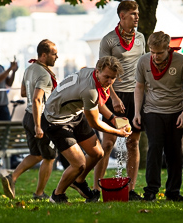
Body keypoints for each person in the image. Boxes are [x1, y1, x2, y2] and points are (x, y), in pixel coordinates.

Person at [41, 56, 132, 203]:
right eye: (107, 77)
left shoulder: (92, 76)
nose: (109, 82)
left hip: (74, 115)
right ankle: (57, 195)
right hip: (56, 121)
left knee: (97, 153)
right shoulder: (90, 89)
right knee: (79, 164)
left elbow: (95, 103)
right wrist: (118, 132)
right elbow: (95, 123)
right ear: (97, 72)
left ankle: (78, 181)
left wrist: (114, 119)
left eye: (113, 78)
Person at [93, 0, 146, 202]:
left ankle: (130, 189)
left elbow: (142, 67)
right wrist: (113, 97)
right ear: (122, 16)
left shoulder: (141, 38)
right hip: (113, 95)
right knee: (107, 144)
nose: (136, 17)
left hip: (136, 96)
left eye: (137, 13)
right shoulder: (108, 40)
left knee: (133, 143)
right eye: (133, 13)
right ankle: (96, 189)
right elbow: (102, 72)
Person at [133, 31, 183, 202]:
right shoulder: (144, 61)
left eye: (159, 53)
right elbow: (139, 87)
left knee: (175, 153)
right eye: (152, 52)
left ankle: (173, 192)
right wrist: (137, 113)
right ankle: (151, 191)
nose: (155, 56)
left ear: (168, 48)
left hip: (177, 112)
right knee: (154, 149)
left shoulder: (181, 61)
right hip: (152, 111)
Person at [1, 39, 58, 200]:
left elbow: (24, 93)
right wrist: (39, 126)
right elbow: (36, 100)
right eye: (54, 54)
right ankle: (39, 194)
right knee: (49, 157)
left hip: (27, 116)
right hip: (39, 118)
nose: (57, 57)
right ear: (44, 55)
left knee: (37, 154)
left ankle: (11, 177)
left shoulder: (29, 69)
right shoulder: (44, 74)